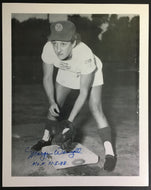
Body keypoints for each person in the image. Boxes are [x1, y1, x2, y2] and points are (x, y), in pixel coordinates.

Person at [31, 20, 116, 171]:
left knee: (95, 107)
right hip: (67, 71)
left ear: (74, 42)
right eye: (55, 43)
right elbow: (46, 78)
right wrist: (51, 101)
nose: (58, 49)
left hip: (89, 71)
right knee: (56, 103)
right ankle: (45, 138)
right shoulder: (48, 49)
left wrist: (69, 123)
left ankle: (110, 153)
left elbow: (83, 93)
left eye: (63, 44)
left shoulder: (85, 55)